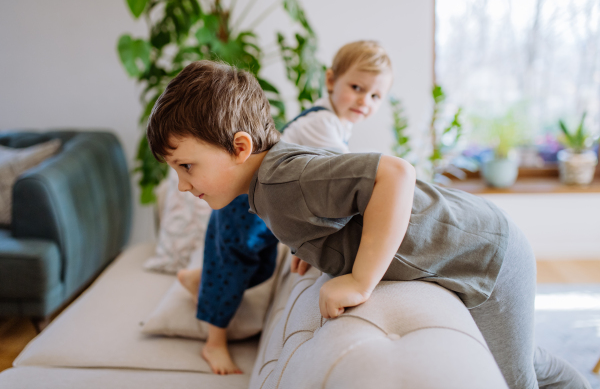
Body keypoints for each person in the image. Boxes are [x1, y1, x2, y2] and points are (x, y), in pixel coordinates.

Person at [147, 60, 591, 389]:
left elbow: (394, 174)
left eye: (187, 166)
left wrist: (360, 281)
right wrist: (311, 246)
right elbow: (338, 206)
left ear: (240, 147)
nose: (183, 185)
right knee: (526, 355)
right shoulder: (269, 185)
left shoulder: (284, 180)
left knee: (516, 380)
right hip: (481, 245)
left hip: (487, 254)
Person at [175, 41, 393, 375]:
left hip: (269, 204)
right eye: (356, 88)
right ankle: (213, 342)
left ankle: (197, 280)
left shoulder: (337, 123)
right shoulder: (322, 123)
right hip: (244, 204)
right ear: (331, 81)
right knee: (231, 267)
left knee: (259, 268)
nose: (365, 101)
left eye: (376, 96)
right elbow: (340, 179)